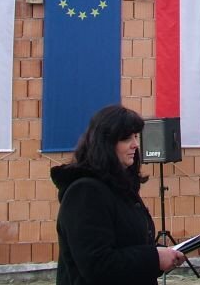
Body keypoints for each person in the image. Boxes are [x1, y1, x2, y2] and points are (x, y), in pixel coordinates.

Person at [50, 105, 185, 285]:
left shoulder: (120, 188)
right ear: (106, 143)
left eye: (136, 136)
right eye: (127, 138)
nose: (135, 144)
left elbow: (129, 244)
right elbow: (97, 264)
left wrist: (163, 255)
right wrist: (154, 258)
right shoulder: (85, 193)